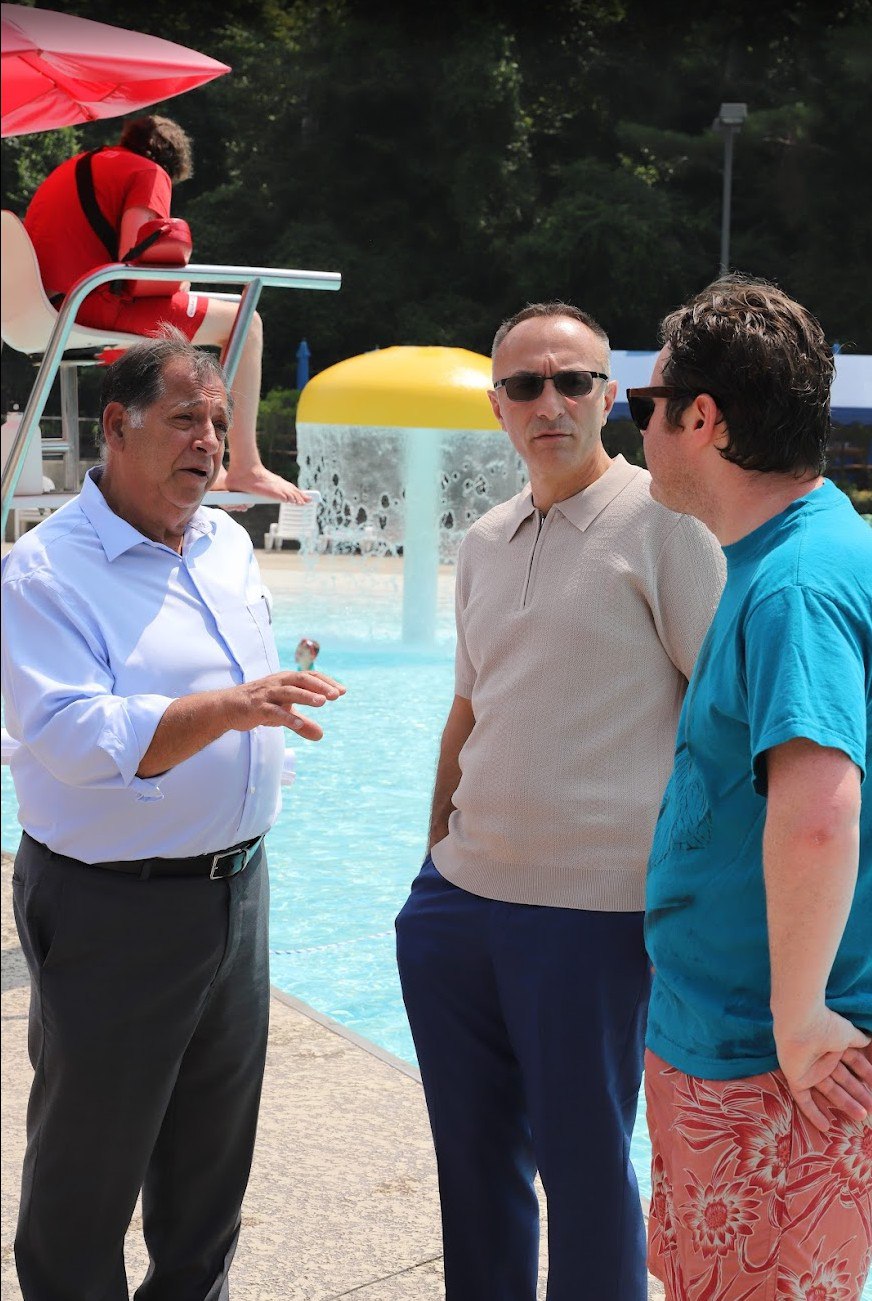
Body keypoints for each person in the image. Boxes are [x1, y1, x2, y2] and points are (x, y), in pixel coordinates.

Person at [0, 329, 345, 1300]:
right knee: (87, 1174)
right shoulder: (45, 572)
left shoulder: (227, 542)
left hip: (235, 890)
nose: (209, 440)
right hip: (113, 907)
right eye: (187, 418)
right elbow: (72, 735)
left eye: (222, 421)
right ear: (117, 425)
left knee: (209, 1171)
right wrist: (235, 708)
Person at [395, 301, 726, 1299]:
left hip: (593, 915)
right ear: (497, 405)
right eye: (525, 384)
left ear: (607, 398)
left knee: (588, 1179)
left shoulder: (666, 523)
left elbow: (719, 723)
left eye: (572, 380)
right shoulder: (487, 539)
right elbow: (466, 710)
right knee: (474, 1171)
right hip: (458, 909)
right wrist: (429, 872)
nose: (550, 400)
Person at [633, 275, 872, 1299]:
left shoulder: (794, 585)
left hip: (764, 1070)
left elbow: (818, 809)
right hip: (728, 1045)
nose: (632, 424)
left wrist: (795, 1014)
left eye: (644, 403)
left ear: (701, 418)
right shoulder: (796, 555)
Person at [24, 113, 306, 503]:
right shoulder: (149, 172)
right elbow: (137, 259)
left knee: (208, 320)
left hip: (47, 307)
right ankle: (246, 466)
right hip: (92, 301)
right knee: (247, 320)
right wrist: (181, 278)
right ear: (170, 165)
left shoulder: (74, 166)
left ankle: (218, 467)